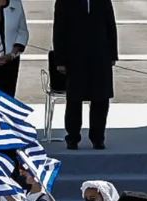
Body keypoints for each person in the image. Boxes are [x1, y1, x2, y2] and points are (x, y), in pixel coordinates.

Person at [53, 0, 118, 150]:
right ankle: (72, 137)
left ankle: (98, 137)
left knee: (101, 98)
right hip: (74, 57)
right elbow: (59, 29)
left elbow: (110, 25)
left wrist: (112, 54)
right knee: (74, 99)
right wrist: (60, 60)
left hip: (100, 55)